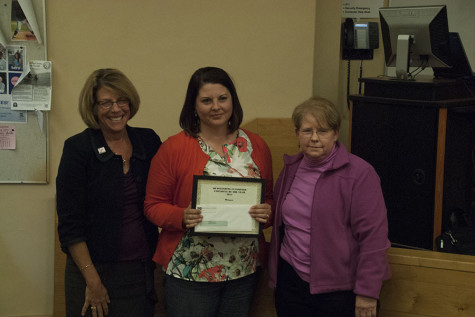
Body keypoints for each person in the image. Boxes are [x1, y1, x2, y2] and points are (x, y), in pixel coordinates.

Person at [144, 66, 273, 317]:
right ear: (193, 105)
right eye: (206, 100)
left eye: (223, 98)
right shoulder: (174, 148)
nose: (216, 106)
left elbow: (269, 201)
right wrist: (180, 216)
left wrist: (267, 212)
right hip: (190, 272)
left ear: (232, 101)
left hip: (242, 270)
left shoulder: (256, 145)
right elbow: (152, 205)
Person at [268, 97, 391, 317]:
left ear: (335, 133)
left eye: (322, 131)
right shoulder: (290, 169)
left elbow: (374, 238)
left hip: (340, 291)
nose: (314, 138)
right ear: (297, 134)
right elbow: (281, 221)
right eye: (307, 131)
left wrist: (367, 293)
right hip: (291, 283)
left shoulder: (360, 174)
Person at [56, 68, 161, 317]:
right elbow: (70, 225)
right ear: (93, 107)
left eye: (121, 100)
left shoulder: (148, 141)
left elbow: (167, 191)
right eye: (105, 102)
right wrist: (93, 282)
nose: (116, 109)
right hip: (91, 272)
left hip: (140, 272)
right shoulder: (78, 149)